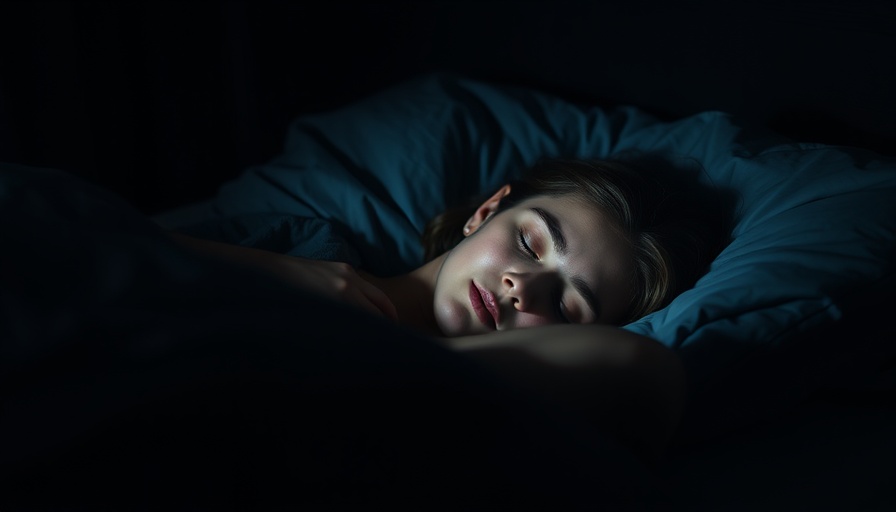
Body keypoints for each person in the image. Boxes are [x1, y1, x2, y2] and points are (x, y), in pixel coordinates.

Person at [170, 155, 730, 461]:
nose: (521, 287)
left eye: (564, 303)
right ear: (485, 213)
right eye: (531, 244)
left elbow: (641, 374)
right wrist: (278, 273)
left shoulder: (517, 413)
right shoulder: (299, 243)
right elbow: (97, 245)